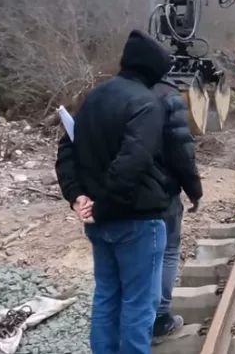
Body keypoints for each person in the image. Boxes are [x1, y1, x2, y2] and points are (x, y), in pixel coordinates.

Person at [55, 29, 172, 354]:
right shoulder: (148, 105)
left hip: (98, 221)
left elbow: (67, 150)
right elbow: (132, 164)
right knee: (139, 304)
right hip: (136, 221)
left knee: (106, 295)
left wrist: (77, 195)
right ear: (152, 71)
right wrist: (102, 206)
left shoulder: (93, 97)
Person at [150, 76, 203, 343]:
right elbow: (182, 153)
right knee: (168, 251)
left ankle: (135, 321)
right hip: (164, 194)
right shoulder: (169, 98)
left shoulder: (112, 94)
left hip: (122, 197)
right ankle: (161, 318)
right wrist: (195, 191)